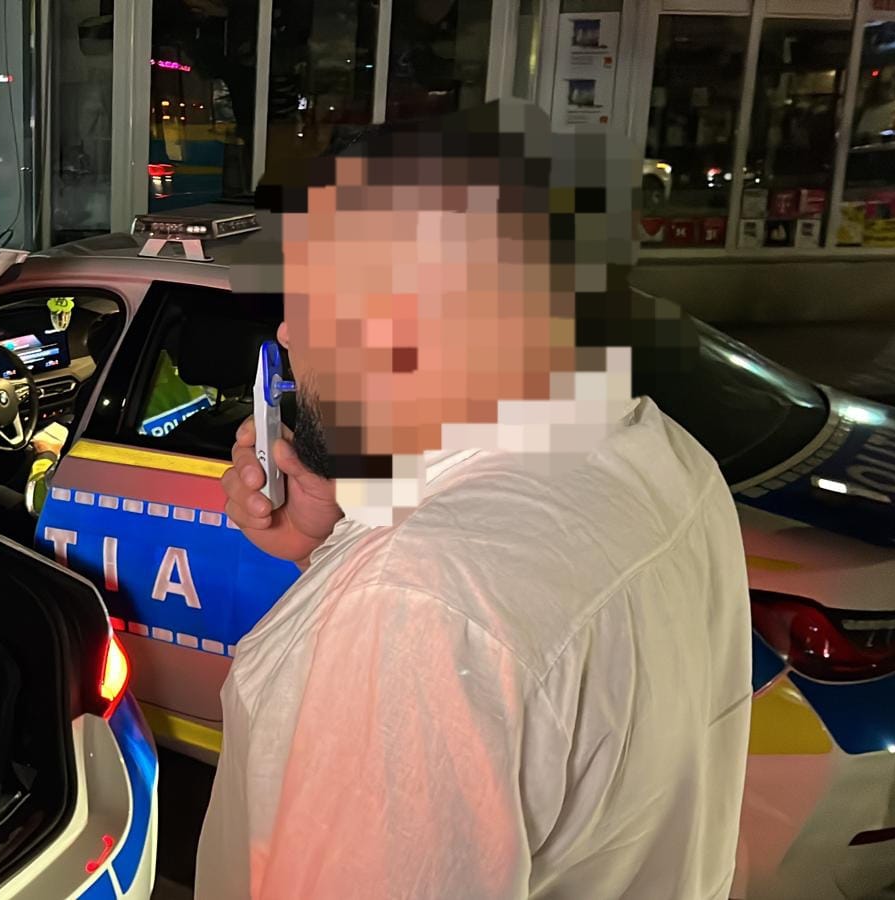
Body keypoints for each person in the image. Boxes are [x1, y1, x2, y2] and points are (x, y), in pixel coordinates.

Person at [196, 100, 752, 899]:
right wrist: (334, 542)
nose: (287, 335)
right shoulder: (669, 461)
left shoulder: (413, 607)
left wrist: (375, 567)